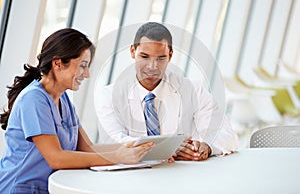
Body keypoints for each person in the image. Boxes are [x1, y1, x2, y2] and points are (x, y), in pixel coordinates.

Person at [0, 28, 153, 193]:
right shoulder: (33, 99)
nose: (86, 74)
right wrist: (116, 157)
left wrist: (136, 148)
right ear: (58, 63)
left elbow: (88, 148)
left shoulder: (63, 99)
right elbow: (56, 158)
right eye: (82, 66)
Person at [95, 22, 238, 161]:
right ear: (133, 51)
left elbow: (227, 134)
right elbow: (113, 142)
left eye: (161, 58)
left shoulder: (193, 89)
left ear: (170, 55)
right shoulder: (109, 95)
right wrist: (169, 147)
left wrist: (206, 147)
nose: (152, 66)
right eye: (144, 57)